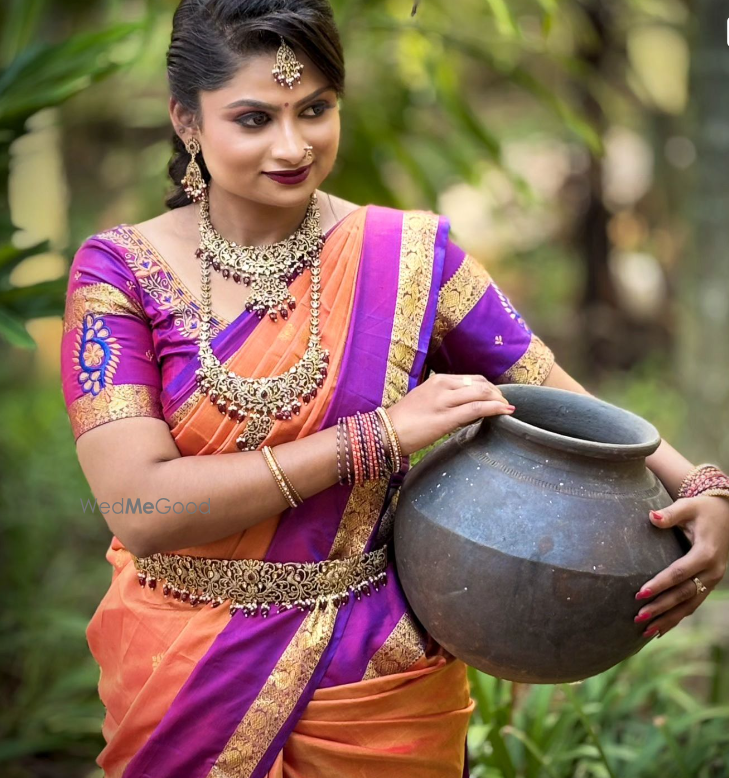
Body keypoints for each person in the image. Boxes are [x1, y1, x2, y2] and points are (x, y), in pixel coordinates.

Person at [59, 1, 729, 776]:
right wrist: (376, 438)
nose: (293, 145)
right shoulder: (118, 272)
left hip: (378, 679)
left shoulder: (410, 256)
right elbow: (140, 508)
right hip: (179, 665)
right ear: (186, 120)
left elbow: (568, 401)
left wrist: (706, 489)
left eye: (315, 109)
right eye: (253, 119)